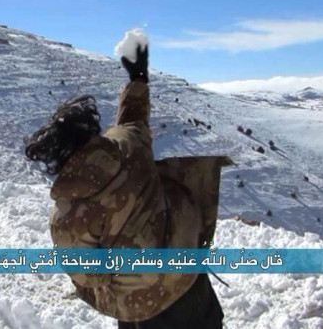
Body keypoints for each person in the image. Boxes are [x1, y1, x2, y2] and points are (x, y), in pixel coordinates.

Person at [25, 36, 230, 328]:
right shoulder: (127, 145)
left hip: (141, 307)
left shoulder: (66, 218)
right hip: (188, 278)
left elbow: (89, 277)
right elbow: (134, 118)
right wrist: (138, 76)